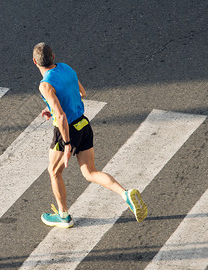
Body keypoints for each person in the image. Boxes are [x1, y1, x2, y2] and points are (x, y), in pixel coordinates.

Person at [32, 42, 147, 228]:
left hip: (67, 130)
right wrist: (51, 109)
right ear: (54, 57)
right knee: (90, 172)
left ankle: (63, 216)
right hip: (83, 124)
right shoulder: (67, 68)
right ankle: (125, 194)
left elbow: (61, 116)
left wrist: (67, 143)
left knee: (54, 171)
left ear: (34, 62)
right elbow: (81, 92)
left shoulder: (45, 85)